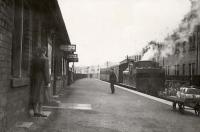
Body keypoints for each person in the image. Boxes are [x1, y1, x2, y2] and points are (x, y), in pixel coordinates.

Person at [30, 47, 50, 117]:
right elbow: (46, 71)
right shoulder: (45, 59)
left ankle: (35, 111)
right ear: (44, 52)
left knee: (35, 93)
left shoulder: (34, 59)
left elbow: (31, 69)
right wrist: (47, 81)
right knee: (41, 94)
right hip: (41, 78)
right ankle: (40, 111)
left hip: (35, 78)